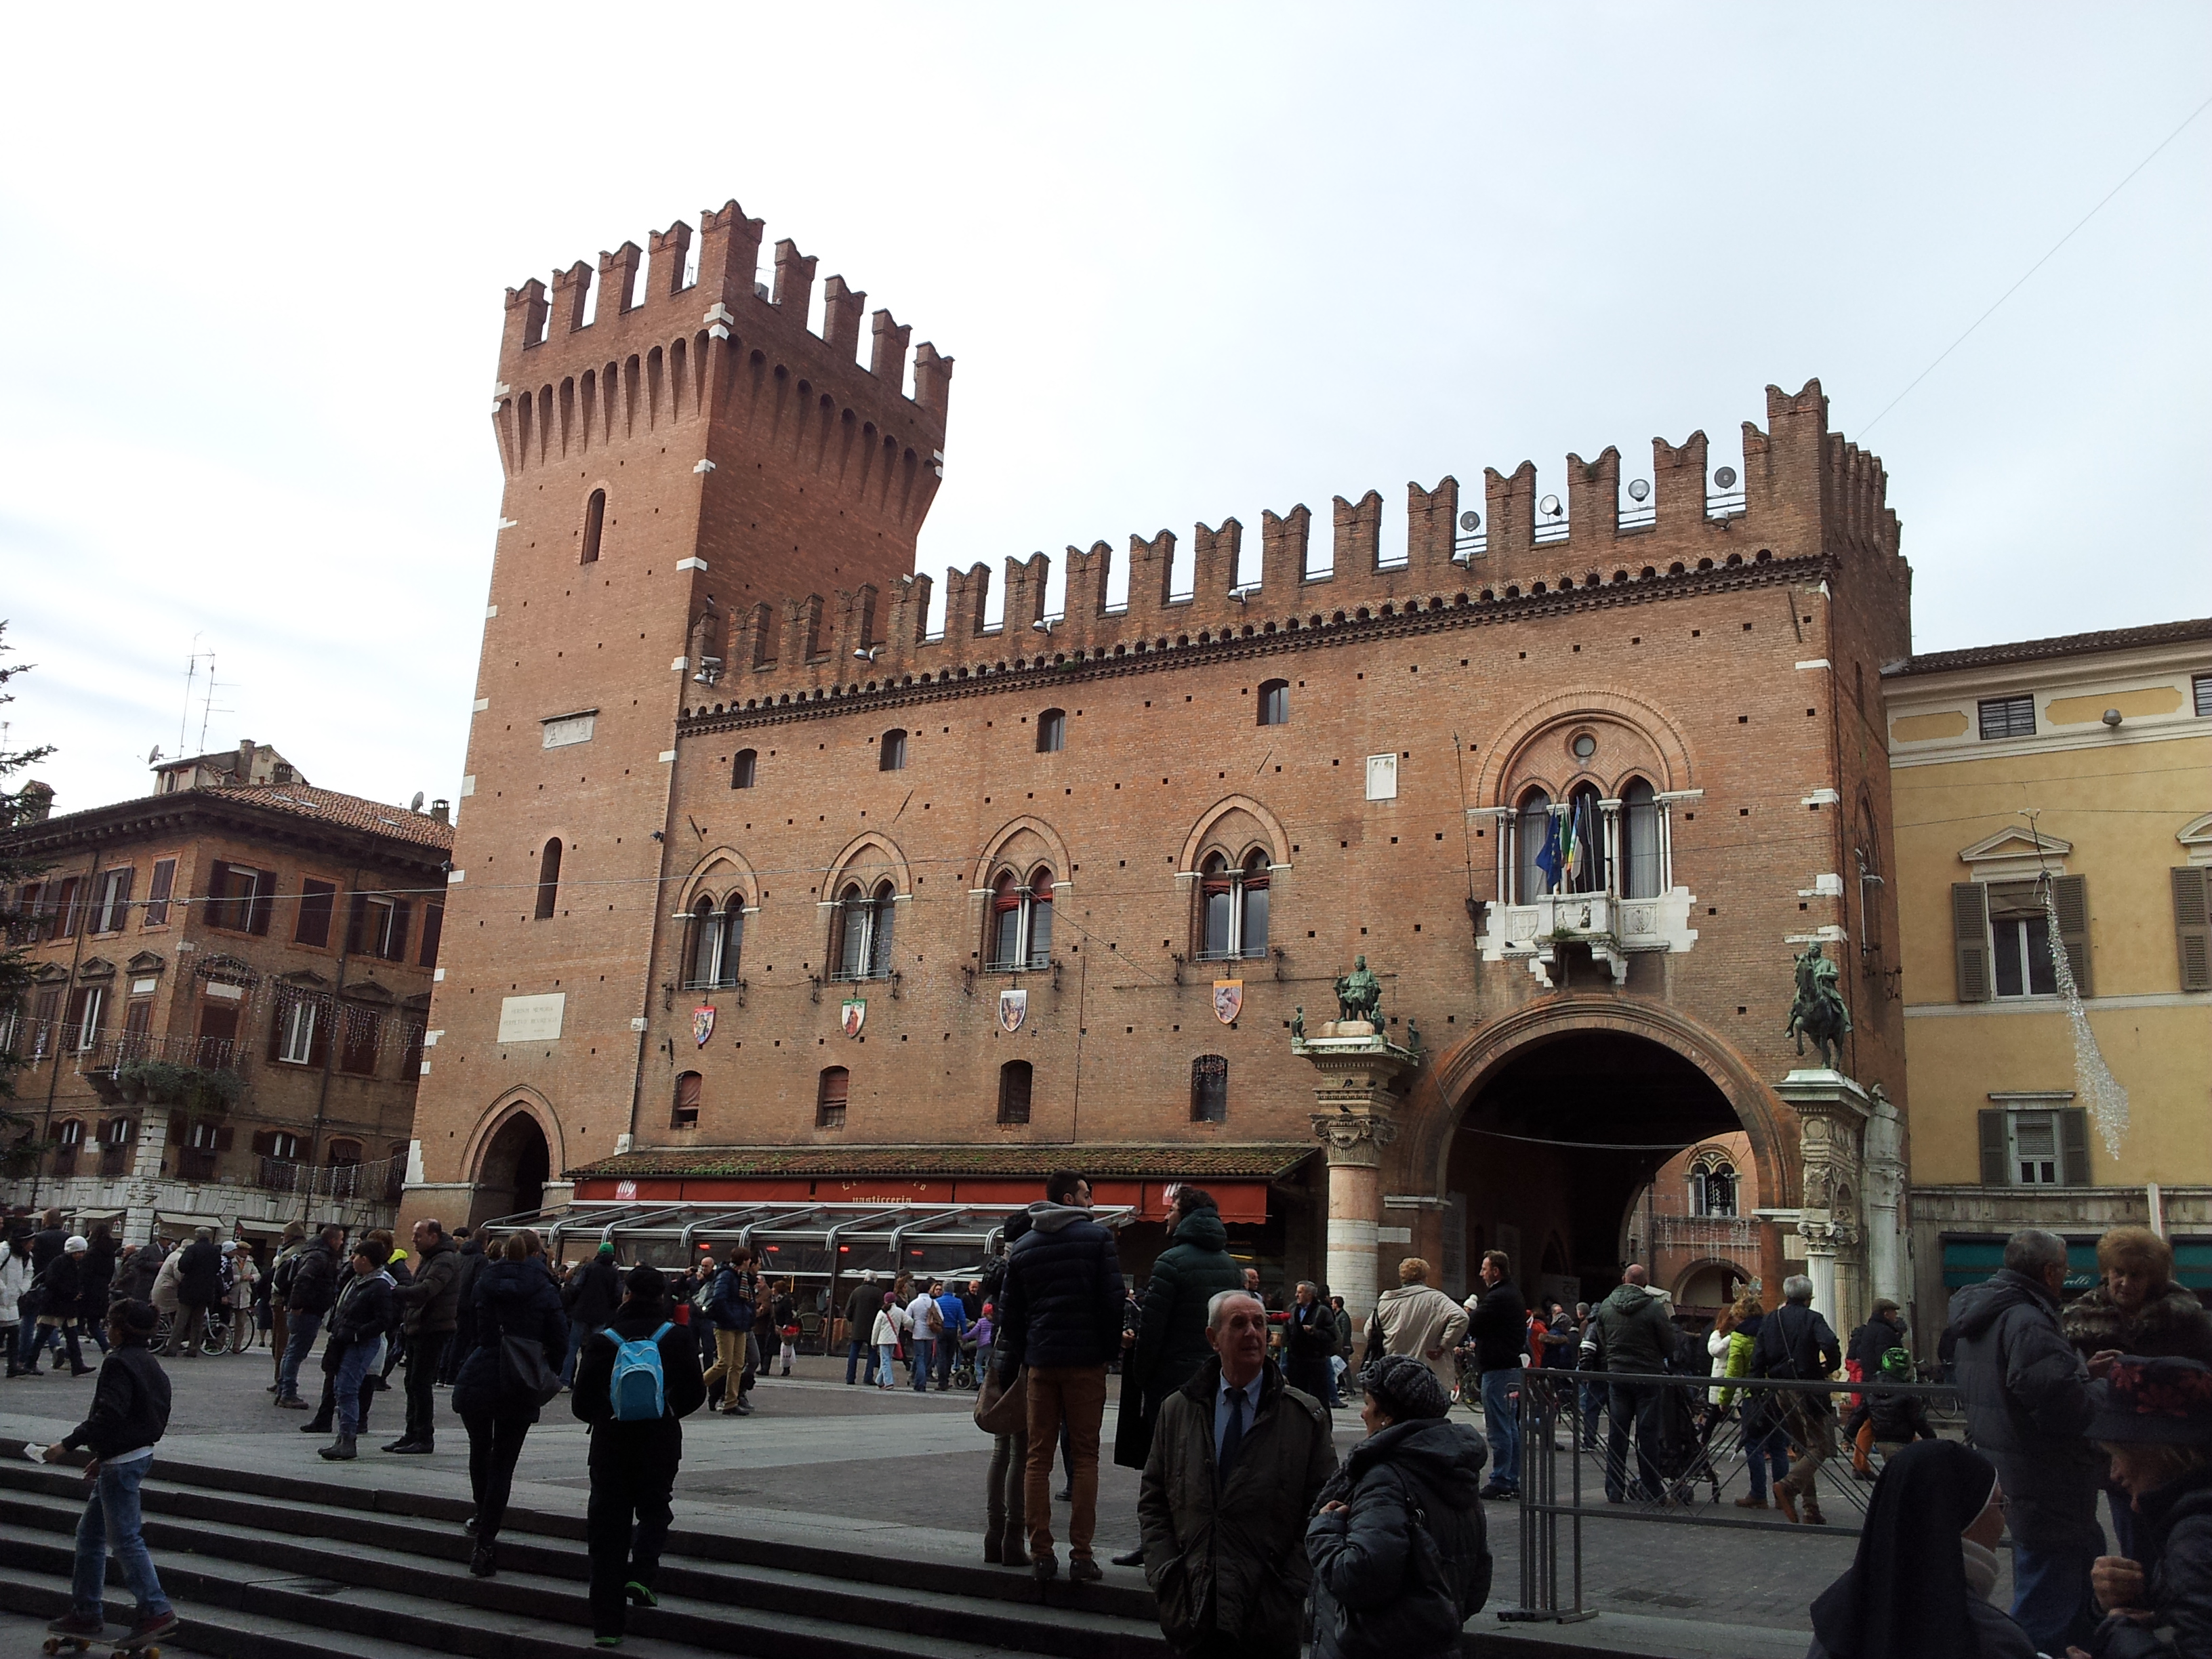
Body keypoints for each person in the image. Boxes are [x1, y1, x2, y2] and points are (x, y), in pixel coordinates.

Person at [1138, 1290, 1336, 1658]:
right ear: (1213, 1338)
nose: (1252, 1333)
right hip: (1194, 1606)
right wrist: (1166, 1573)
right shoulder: (1179, 1410)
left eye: (1259, 1324)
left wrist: (1290, 1584)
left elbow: (1324, 1506)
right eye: (1239, 1324)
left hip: (1269, 1613)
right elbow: (1154, 1499)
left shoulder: (1303, 1416)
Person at [1945, 1227, 2100, 1656]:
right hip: (2047, 1475)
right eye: (2064, 1268)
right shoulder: (2028, 1319)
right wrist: (2097, 1389)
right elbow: (2058, 1403)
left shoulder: (1984, 1313)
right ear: (2050, 1272)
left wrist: (2081, 1372)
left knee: (2069, 1578)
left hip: (2012, 1470)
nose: (2066, 1276)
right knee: (2047, 1600)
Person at [1307, 1353, 1491, 1659]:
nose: (1363, 1414)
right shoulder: (1458, 1472)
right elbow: (1477, 1583)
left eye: (1368, 1404)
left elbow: (1358, 1577)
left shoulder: (1385, 1479)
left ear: (1388, 1417)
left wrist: (1324, 1530)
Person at [994, 1170, 1124, 1583]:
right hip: (1086, 1363)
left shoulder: (1025, 1246)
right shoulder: (1098, 1239)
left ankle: (1042, 1553)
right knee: (1085, 1457)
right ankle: (1082, 1555)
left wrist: (1030, 1350)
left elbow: (1009, 1314)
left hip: (1041, 1363)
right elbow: (1112, 1302)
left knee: (1038, 1457)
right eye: (1086, 1194)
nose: (1091, 1202)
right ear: (1069, 1199)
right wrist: (1106, 1352)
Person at [571, 1264, 706, 1649]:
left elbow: (581, 1403)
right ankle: (642, 1572)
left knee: (607, 1531)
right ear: (662, 1296)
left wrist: (608, 1413)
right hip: (659, 1442)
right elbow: (696, 1392)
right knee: (655, 1508)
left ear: (626, 1293)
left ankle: (607, 1625)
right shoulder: (676, 1337)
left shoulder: (604, 1340)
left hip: (611, 1445)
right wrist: (667, 1411)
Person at [1805, 1438, 2035, 1659]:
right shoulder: (1992, 1639)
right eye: (2000, 1504)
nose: (2004, 1518)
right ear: (1964, 1520)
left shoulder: (1840, 1616)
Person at [2064, 1225, 2212, 1560]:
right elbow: (2066, 1386)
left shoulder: (2183, 1317)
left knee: (2183, 1543)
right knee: (2134, 1548)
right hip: (2118, 1455)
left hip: (2177, 1453)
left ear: (2152, 1279)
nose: (2125, 1283)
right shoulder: (2081, 1319)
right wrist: (2087, 1372)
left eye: (2136, 1275)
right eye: (2118, 1272)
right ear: (2106, 1271)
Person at [38, 1300, 178, 1653]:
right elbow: (148, 1413)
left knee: (126, 1539)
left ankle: (156, 1608)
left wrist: (66, 1445)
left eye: (110, 1324)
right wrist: (104, 1455)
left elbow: (110, 1414)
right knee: (90, 1535)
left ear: (120, 1330)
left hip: (121, 1463)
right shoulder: (149, 1362)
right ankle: (86, 1610)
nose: (106, 1329)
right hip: (132, 1455)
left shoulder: (118, 1363)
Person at [2074, 1354, 2212, 1659]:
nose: (2114, 1473)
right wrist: (2138, 1600)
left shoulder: (2195, 1538)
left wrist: (2118, 1632)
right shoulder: (2192, 1519)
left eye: (2120, 1454)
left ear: (2159, 1453)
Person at [453, 1229, 569, 1578]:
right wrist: (545, 1369)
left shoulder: (485, 1281)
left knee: (479, 1450)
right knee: (503, 1462)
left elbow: (470, 1325)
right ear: (536, 1253)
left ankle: (481, 1513)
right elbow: (559, 1339)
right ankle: (485, 1543)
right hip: (519, 1377)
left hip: (482, 1368)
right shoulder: (545, 1288)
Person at [1120, 1188, 1244, 1483]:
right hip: (1216, 1377)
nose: (1166, 1216)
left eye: (1171, 1210)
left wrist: (1141, 1375)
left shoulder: (1170, 1262)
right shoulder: (1231, 1265)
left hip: (1171, 1380)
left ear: (1186, 1216)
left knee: (1167, 1460)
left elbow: (1152, 1328)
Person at [1580, 1264, 1679, 1504]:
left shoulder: (1606, 1306)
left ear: (1624, 1279)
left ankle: (1614, 1489)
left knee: (1617, 1434)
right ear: (1644, 1283)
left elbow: (1602, 1339)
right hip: (1647, 1376)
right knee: (1648, 1434)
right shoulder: (1654, 1308)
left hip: (1617, 1375)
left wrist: (1615, 1359)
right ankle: (1652, 1490)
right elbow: (1669, 1344)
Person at [1752, 1273, 1843, 1526]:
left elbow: (1758, 1355)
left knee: (1803, 1447)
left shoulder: (1771, 1319)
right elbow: (1830, 1342)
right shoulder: (1813, 1318)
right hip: (1807, 1387)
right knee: (1820, 1446)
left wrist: (1757, 1386)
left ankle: (1811, 1508)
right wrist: (1830, 1366)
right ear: (1808, 1297)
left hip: (1780, 1388)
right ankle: (1788, 1486)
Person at [384, 1218, 463, 1454]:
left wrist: (395, 1291)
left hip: (433, 1328)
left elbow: (428, 1290)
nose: (413, 1240)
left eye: (418, 1235)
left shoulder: (444, 1259)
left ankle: (424, 1436)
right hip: (419, 1326)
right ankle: (412, 1433)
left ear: (433, 1237)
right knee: (412, 1381)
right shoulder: (432, 1257)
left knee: (420, 1382)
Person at [981, 1210, 1032, 1567]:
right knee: (1021, 1452)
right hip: (1022, 1360)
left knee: (1001, 1451)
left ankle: (993, 1533)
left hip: (1000, 1360)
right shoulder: (1025, 1266)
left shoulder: (998, 1268)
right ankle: (1013, 1537)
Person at [318, 1240, 397, 1461]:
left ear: (366, 1259)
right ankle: (343, 1437)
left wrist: (357, 1334)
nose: (352, 1259)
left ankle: (348, 1439)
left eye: (356, 1255)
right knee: (340, 1388)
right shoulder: (358, 1281)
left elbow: (384, 1320)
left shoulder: (379, 1285)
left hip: (360, 1344)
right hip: (345, 1341)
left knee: (347, 1388)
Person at [1463, 1249, 1528, 1502]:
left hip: (1498, 1369)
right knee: (1511, 1425)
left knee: (1500, 1427)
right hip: (1510, 1368)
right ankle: (1512, 1479)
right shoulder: (1513, 1293)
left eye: (1484, 1269)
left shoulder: (1499, 1296)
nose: (1481, 1273)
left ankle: (1501, 1480)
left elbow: (1474, 1323)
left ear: (1496, 1271)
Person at [1716, 1290, 1790, 1510]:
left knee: (1753, 1444)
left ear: (1741, 1316)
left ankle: (1758, 1494)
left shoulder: (1739, 1337)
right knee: (1778, 1446)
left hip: (1754, 1396)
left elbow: (1733, 1373)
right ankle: (1782, 1495)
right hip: (1777, 1394)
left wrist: (1725, 1399)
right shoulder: (1774, 1330)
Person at [1366, 1257, 1469, 1393]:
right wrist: (1443, 1346)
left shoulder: (1386, 1302)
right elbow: (1461, 1317)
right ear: (1425, 1277)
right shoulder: (1436, 1299)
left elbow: (1369, 1331)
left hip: (1395, 1372)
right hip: (1428, 1375)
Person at [275, 1224, 344, 1408]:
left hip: (307, 1309)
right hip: (308, 1310)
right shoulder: (319, 1256)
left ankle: (283, 1389)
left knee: (292, 1351)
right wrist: (297, 1304)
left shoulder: (313, 1252)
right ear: (332, 1240)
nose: (341, 1243)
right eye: (340, 1239)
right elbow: (303, 1279)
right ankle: (288, 1393)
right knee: (295, 1352)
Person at [701, 1247, 758, 1416]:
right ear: (744, 1260)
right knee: (724, 1362)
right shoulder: (727, 1275)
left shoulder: (743, 1277)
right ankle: (696, 1387)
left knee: (738, 1364)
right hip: (725, 1325)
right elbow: (719, 1299)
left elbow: (747, 1301)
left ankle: (731, 1402)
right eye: (748, 1259)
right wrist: (731, 1317)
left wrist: (747, 1317)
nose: (750, 1262)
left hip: (740, 1325)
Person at [561, 1242, 624, 1387]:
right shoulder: (613, 1273)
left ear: (598, 1252)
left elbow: (577, 1287)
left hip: (581, 1312)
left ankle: (565, 1380)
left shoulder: (589, 1268)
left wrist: (574, 1304)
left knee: (572, 1347)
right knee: (595, 1349)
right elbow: (617, 1296)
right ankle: (590, 1382)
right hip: (601, 1315)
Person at [33, 1235, 96, 1376]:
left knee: (71, 1337)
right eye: (78, 1252)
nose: (81, 1255)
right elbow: (52, 1282)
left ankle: (77, 1364)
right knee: (43, 1336)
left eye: (82, 1252)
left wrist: (78, 1292)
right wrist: (72, 1294)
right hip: (56, 1305)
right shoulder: (60, 1262)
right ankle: (30, 1362)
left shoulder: (72, 1263)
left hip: (65, 1305)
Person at [1282, 1282, 1341, 1416]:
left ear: (1309, 1295)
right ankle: (1298, 1423)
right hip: (1296, 1361)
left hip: (1316, 1361)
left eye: (1300, 1292)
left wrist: (1314, 1331)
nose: (1296, 1295)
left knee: (1319, 1397)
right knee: (1296, 1397)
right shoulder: (1293, 1309)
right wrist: (1286, 1346)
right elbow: (1287, 1330)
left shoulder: (1322, 1311)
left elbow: (1332, 1336)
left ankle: (1323, 1424)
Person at [164, 1226, 223, 1358]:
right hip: (206, 1290)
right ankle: (193, 1348)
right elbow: (218, 1268)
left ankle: (172, 1348)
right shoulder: (215, 1250)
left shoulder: (192, 1249)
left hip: (189, 1289)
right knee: (198, 1322)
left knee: (181, 1321)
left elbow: (183, 1266)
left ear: (197, 1236)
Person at [444, 1226, 487, 1385]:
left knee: (450, 1339)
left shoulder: (459, 1256)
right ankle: (451, 1375)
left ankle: (442, 1373)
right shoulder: (481, 1259)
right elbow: (478, 1283)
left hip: (455, 1301)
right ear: (485, 1241)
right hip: (468, 1305)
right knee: (461, 1341)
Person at [265, 1221, 308, 1380]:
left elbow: (279, 1281)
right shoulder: (306, 1251)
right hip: (295, 1303)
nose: (282, 1238)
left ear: (290, 1236)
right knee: (287, 1343)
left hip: (283, 1302)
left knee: (281, 1343)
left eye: (284, 1235)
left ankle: (280, 1378)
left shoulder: (290, 1253)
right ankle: (282, 1379)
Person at [843, 1271, 883, 1385]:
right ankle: (868, 1377)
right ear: (875, 1281)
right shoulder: (879, 1293)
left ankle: (850, 1377)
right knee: (872, 1353)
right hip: (872, 1327)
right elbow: (881, 1311)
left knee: (854, 1352)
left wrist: (852, 1319)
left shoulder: (857, 1291)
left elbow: (849, 1310)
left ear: (865, 1279)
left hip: (857, 1327)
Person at [0, 1226, 29, 1377]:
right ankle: (12, 1366)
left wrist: (22, 1289)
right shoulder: (3, 1251)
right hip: (2, 1299)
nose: (32, 1245)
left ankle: (13, 1366)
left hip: (12, 1302)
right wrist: (3, 1289)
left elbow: (29, 1272)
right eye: (30, 1242)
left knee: (13, 1335)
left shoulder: (26, 1256)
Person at [907, 1277, 945, 1393]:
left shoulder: (914, 1303)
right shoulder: (933, 1303)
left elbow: (907, 1319)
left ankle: (920, 1383)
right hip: (930, 1334)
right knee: (926, 1359)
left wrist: (912, 1329)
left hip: (918, 1333)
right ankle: (921, 1382)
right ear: (929, 1290)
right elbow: (941, 1318)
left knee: (919, 1358)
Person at [935, 1277, 968, 1390]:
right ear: (952, 1289)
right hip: (953, 1330)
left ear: (944, 1289)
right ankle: (946, 1379)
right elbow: (962, 1319)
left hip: (941, 1330)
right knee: (949, 1356)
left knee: (941, 1356)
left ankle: (942, 1382)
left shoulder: (938, 1302)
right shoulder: (958, 1302)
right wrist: (964, 1333)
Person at [872, 1291, 905, 1391]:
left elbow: (876, 1329)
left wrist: (873, 1342)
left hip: (883, 1340)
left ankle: (889, 1382)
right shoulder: (899, 1311)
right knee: (887, 1360)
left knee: (885, 1360)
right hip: (893, 1339)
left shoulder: (882, 1312)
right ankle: (879, 1380)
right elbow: (909, 1321)